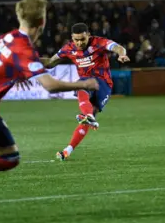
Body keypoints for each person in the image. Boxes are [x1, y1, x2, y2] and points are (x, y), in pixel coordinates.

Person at [0, 0, 98, 177]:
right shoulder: (23, 48)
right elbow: (50, 86)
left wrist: (15, 70)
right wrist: (84, 83)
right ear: (42, 23)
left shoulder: (8, 38)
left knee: (10, 157)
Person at [42, 23, 130, 161]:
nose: (79, 43)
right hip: (86, 82)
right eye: (76, 39)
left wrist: (122, 55)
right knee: (84, 104)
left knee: (88, 112)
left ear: (88, 35)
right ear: (72, 37)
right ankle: (67, 150)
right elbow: (51, 62)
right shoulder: (68, 48)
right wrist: (31, 63)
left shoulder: (99, 43)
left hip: (103, 83)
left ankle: (89, 116)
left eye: (82, 39)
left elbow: (118, 47)